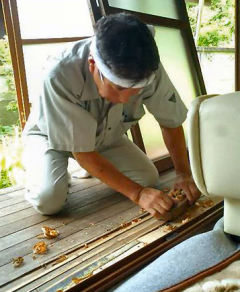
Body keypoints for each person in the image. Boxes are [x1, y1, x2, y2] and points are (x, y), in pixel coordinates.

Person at [23, 12, 200, 216]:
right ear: (93, 65)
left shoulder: (148, 66)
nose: (125, 99)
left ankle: (87, 169)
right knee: (49, 200)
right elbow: (83, 153)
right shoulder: (59, 73)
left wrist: (183, 174)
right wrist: (138, 194)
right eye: (117, 88)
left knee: (148, 178)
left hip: (104, 137)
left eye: (135, 91)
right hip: (49, 137)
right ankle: (49, 169)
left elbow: (170, 121)